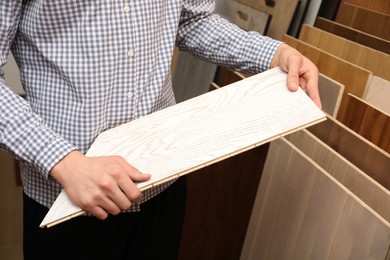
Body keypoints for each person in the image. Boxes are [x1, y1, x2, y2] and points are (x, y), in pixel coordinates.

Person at [0, 1, 321, 259]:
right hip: (68, 199)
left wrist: (273, 54)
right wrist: (64, 162)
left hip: (160, 182)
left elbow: (191, 21)